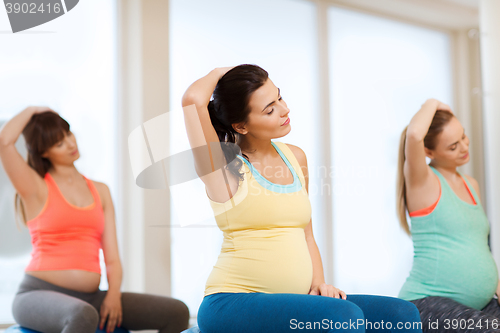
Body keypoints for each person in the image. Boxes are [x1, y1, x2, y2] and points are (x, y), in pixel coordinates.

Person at [181, 64, 422, 333]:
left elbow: (306, 234)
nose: (284, 110)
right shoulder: (223, 168)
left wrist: (318, 283)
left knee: (400, 313)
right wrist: (223, 71)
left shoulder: (295, 157)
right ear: (241, 125)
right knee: (342, 317)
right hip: (231, 302)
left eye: (279, 97)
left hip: (295, 298)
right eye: (269, 109)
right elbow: (192, 100)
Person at [0, 107, 190, 333]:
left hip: (91, 297)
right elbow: (4, 142)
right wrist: (33, 110)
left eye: (68, 134)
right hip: (36, 294)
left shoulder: (100, 191)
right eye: (59, 143)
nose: (71, 144)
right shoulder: (35, 188)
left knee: (176, 312)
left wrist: (113, 295)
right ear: (44, 153)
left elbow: (112, 260)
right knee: (82, 316)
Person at [397, 99, 500, 332]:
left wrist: (496, 284)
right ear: (428, 151)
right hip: (425, 303)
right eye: (453, 146)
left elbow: (478, 246)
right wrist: (432, 103)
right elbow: (414, 134)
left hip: (479, 304)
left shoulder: (471, 185)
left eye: (463, 137)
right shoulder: (423, 181)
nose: (464, 147)